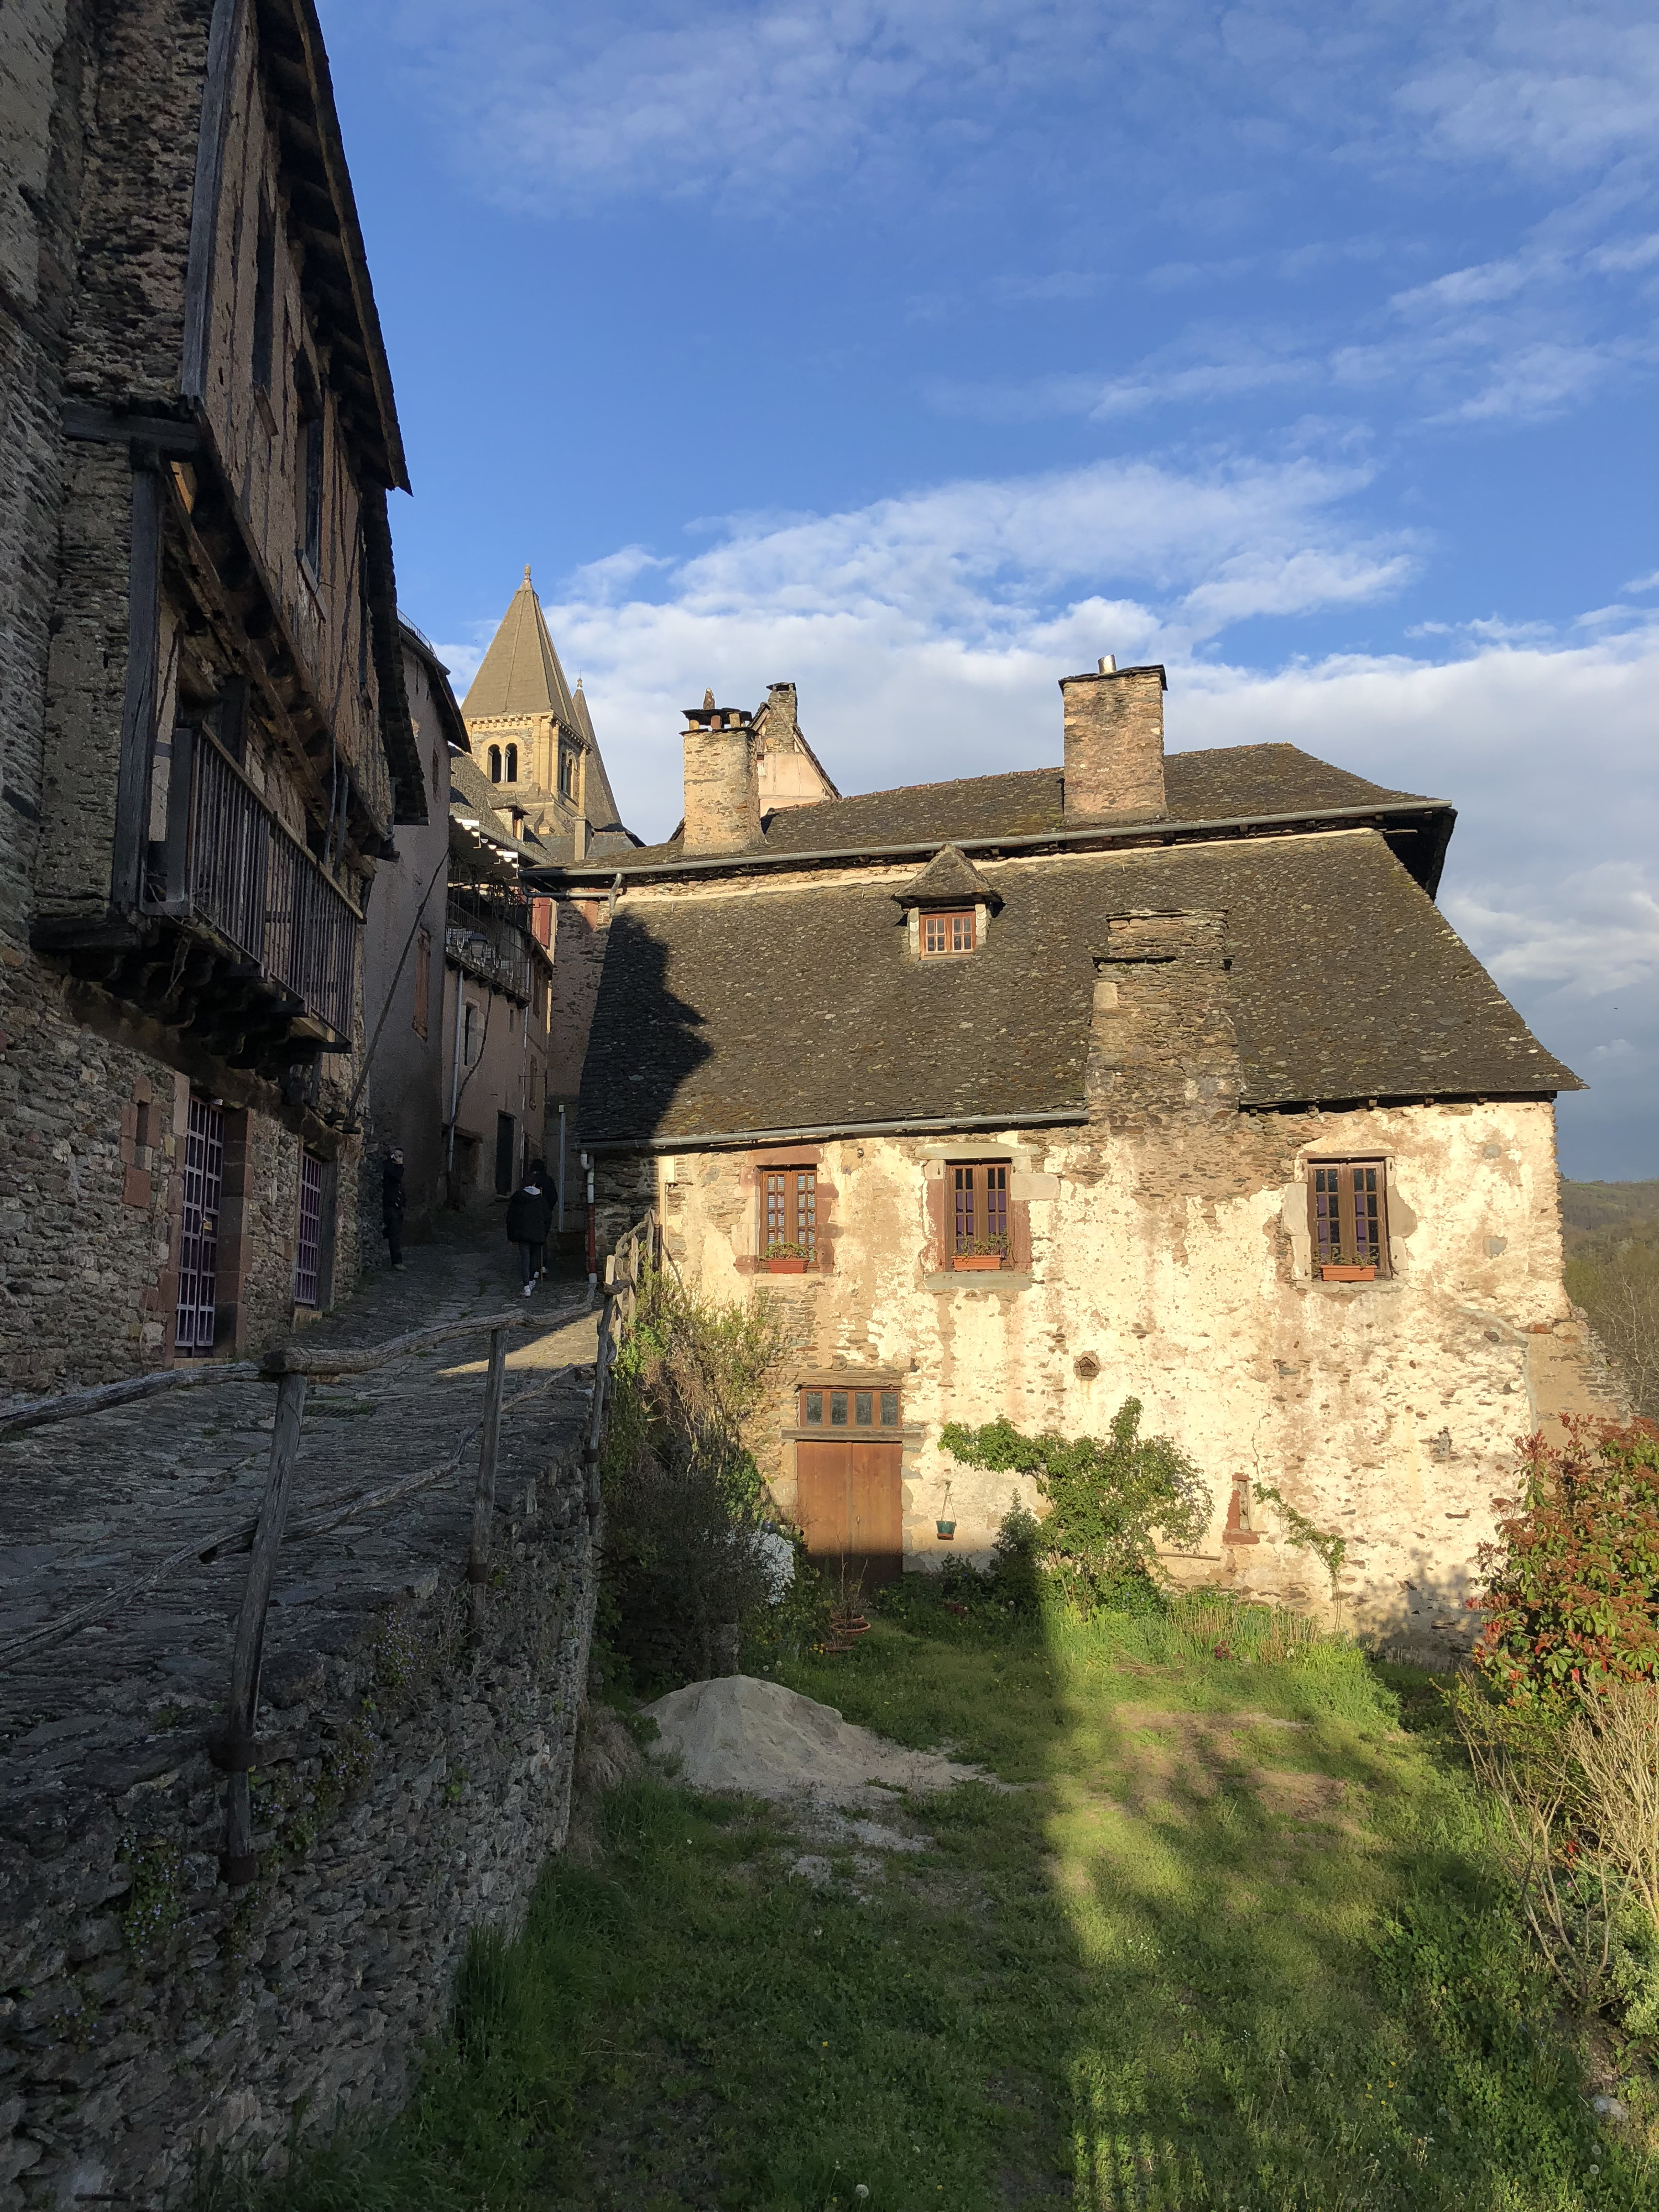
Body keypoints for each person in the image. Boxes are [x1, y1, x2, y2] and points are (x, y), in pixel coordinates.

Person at [505, 1161, 554, 1294]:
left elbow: (510, 1218)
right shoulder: (541, 1200)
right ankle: (534, 1277)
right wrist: (545, 1231)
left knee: (525, 1258)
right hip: (537, 1233)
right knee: (534, 1257)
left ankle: (526, 1285)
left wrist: (511, 1236)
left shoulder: (518, 1198)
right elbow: (547, 1217)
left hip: (522, 1233)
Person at [382, 1147, 406, 1269]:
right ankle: (397, 1262)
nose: (400, 1159)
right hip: (390, 1206)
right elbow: (397, 1177)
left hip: (397, 1206)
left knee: (393, 1232)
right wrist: (399, 1165)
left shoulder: (395, 1168)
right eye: (398, 1156)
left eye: (401, 1156)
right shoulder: (389, 1167)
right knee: (394, 1233)